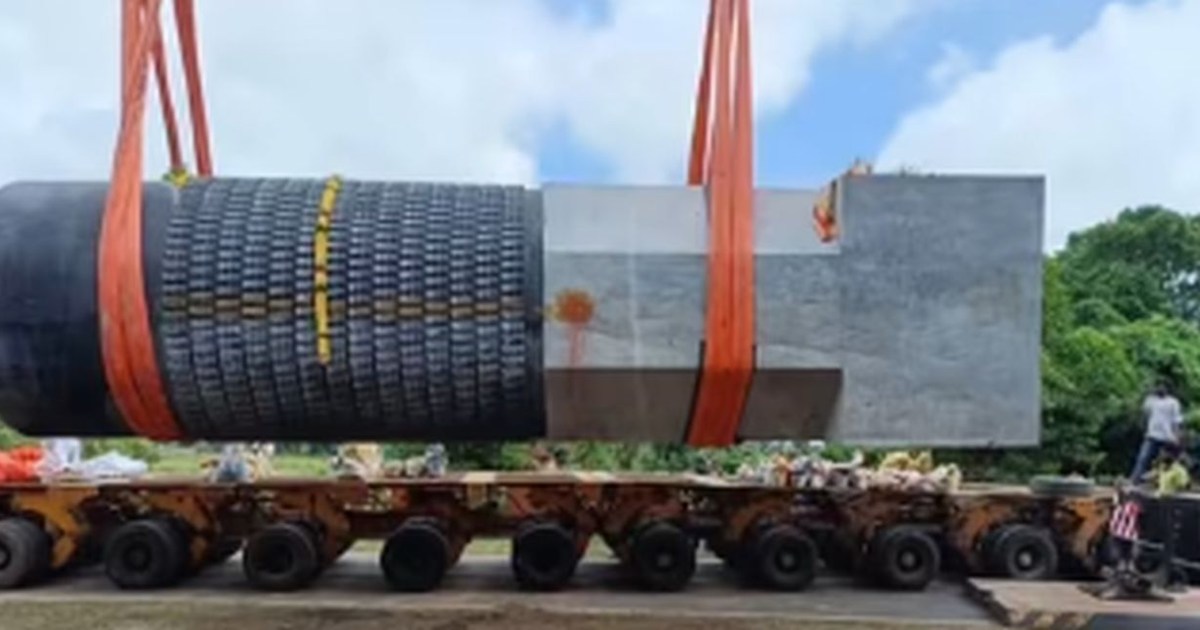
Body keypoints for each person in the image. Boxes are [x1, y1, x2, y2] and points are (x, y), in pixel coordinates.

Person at [1131, 384, 1184, 483]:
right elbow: (1145, 414)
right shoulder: (1150, 401)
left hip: (1168, 437)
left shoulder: (1173, 402)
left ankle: (1174, 480)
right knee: (1143, 458)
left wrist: (1177, 436)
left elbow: (1176, 421)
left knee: (1169, 461)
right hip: (1152, 435)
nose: (1161, 389)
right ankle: (1136, 479)